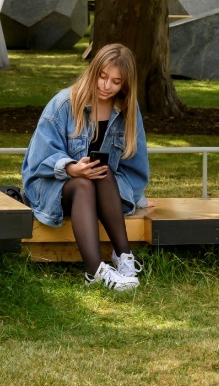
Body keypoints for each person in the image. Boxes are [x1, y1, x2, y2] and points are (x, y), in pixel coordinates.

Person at [21, 43, 149, 290]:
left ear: (125, 85)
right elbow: (38, 159)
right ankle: (94, 271)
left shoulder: (127, 110)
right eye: (102, 76)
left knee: (102, 172)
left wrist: (138, 197)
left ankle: (124, 258)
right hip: (53, 187)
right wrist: (70, 168)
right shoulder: (63, 103)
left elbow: (135, 164)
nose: (106, 86)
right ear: (93, 71)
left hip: (102, 187)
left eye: (115, 81)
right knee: (83, 183)